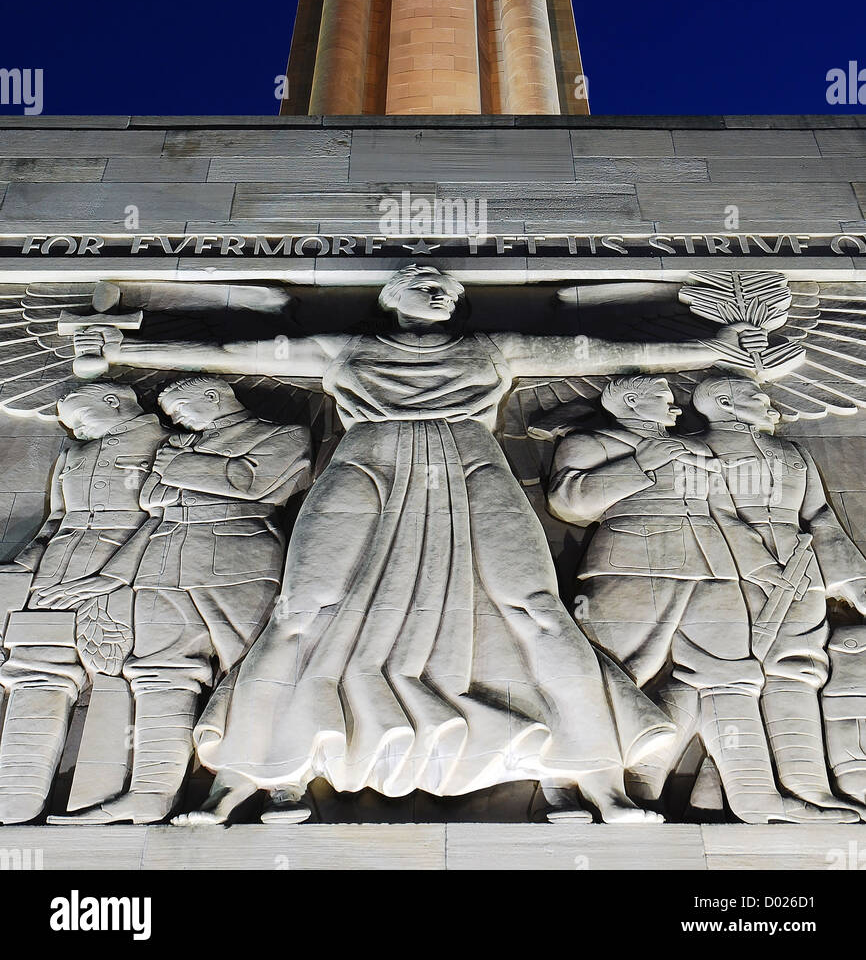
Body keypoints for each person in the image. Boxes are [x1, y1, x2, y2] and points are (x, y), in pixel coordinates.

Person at [69, 264, 766, 824]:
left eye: (452, 287)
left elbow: (608, 353)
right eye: (427, 280)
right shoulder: (348, 350)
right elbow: (229, 354)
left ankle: (596, 776)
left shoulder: (490, 349)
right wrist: (126, 350)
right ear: (392, 293)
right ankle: (249, 777)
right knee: (301, 612)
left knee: (535, 608)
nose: (444, 290)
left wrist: (711, 350)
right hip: (366, 469)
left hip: (469, 469)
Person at [548, 373, 858, 823]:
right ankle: (560, 786)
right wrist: (639, 465)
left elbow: (719, 515)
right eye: (662, 398)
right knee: (609, 674)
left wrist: (760, 567)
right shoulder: (592, 441)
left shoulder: (695, 449)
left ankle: (755, 795)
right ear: (631, 400)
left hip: (712, 570)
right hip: (632, 568)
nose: (677, 408)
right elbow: (571, 502)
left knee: (733, 678)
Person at [47, 375, 310, 825]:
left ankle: (284, 785)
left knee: (258, 670)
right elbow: (157, 510)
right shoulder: (180, 447)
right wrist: (112, 575)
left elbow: (250, 482)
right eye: (172, 417)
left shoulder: (280, 434)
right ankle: (151, 793)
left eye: (182, 409)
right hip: (161, 564)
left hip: (238, 561)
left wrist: (176, 466)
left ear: (214, 396)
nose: (176, 421)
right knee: (157, 676)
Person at [694, 375, 866, 816]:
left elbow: (820, 515)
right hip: (728, 572)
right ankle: (743, 789)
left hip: (800, 566)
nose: (768, 402)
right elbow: (709, 513)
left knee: (798, 669)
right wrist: (758, 566)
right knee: (735, 677)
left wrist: (853, 582)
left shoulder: (793, 453)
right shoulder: (697, 450)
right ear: (724, 401)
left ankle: (808, 784)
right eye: (756, 395)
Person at [0, 383, 163, 824]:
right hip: (58, 567)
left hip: (128, 568)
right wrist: (26, 567)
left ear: (113, 402)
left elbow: (168, 518)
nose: (74, 428)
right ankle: (18, 794)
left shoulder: (168, 444)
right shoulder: (73, 454)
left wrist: (110, 577)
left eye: (80, 416)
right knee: (37, 670)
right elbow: (55, 519)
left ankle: (98, 798)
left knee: (114, 676)